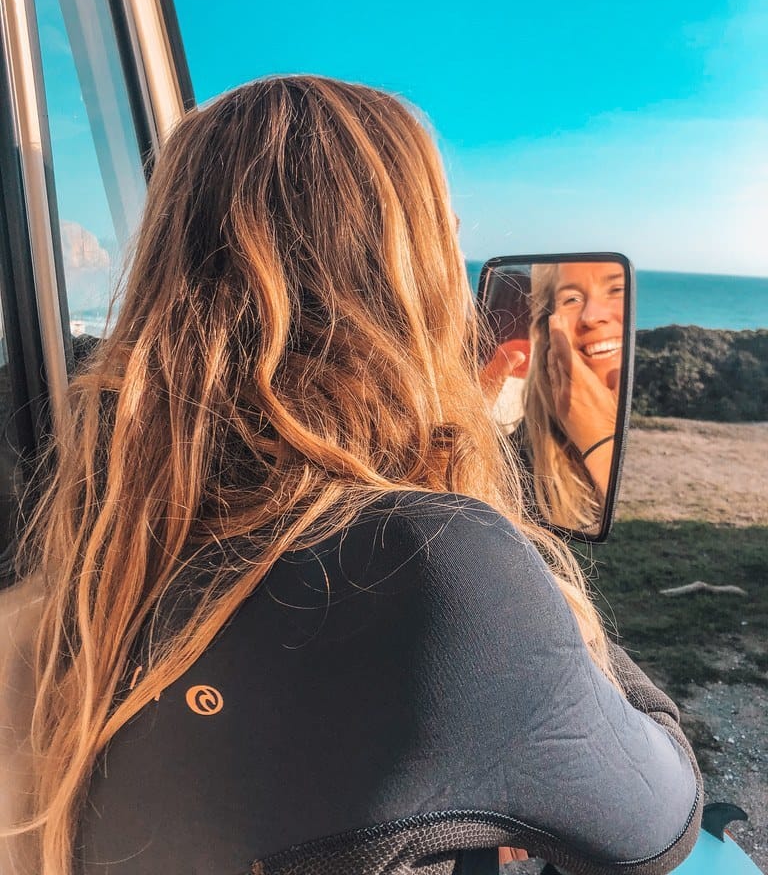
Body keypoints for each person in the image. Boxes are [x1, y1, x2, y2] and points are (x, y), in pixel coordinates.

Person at [3, 77, 700, 875]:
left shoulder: (100, 543)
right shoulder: (432, 565)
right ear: (408, 278)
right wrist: (484, 505)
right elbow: (657, 821)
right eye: (444, 236)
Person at [518, 260, 625, 532]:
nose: (592, 316)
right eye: (572, 298)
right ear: (546, 330)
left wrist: (601, 442)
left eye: (616, 290)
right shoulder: (520, 461)